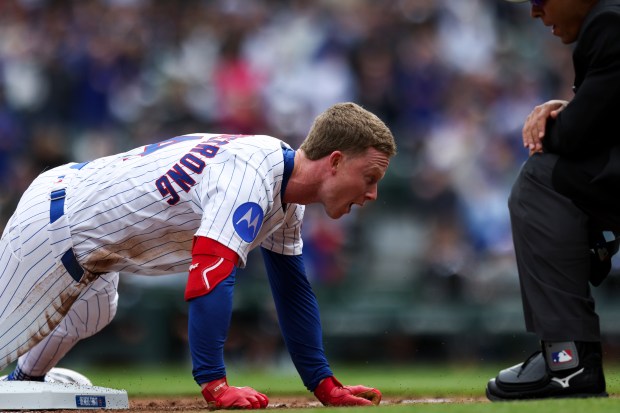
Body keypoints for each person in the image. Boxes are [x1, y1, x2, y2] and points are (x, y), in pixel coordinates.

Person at [0, 102, 397, 409]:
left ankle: (23, 385)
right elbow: (210, 273)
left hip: (88, 236)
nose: (372, 194)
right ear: (336, 161)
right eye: (370, 177)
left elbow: (292, 292)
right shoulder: (250, 175)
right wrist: (214, 384)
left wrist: (323, 383)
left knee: (94, 312)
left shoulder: (287, 199)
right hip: (55, 225)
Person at [487, 0, 620, 401]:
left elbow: (573, 137)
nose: (534, 12)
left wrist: (558, 120)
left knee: (541, 180)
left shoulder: (608, 23)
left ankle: (568, 360)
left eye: (540, 0)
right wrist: (572, 111)